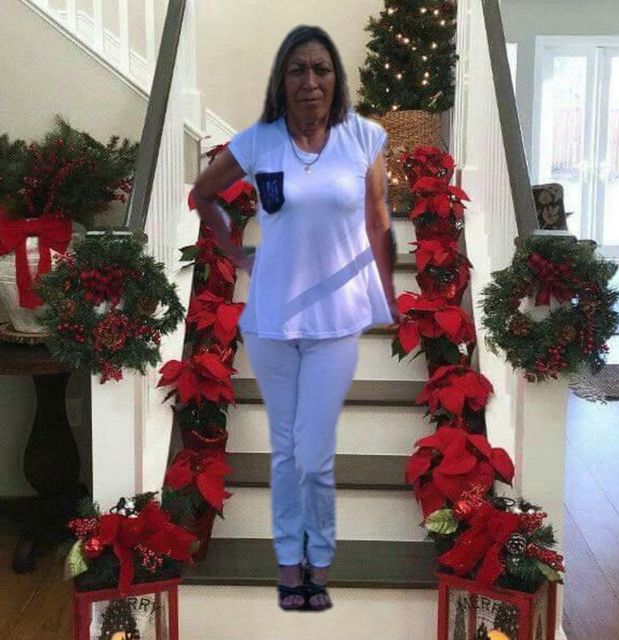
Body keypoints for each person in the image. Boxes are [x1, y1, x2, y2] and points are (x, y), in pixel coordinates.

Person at [190, 25, 400, 612]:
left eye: (321, 69)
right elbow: (203, 194)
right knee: (284, 450)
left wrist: (385, 295)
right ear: (282, 81)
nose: (310, 81)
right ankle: (289, 563)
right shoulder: (259, 141)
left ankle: (319, 558)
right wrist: (234, 252)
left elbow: (378, 218)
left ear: (336, 79)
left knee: (314, 451)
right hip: (272, 321)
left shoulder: (364, 137)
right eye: (297, 70)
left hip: (335, 322)